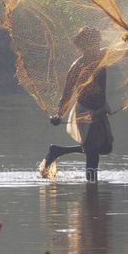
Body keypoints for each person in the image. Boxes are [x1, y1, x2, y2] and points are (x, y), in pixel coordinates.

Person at [39, 27, 113, 182]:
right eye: (94, 43)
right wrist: (59, 115)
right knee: (92, 152)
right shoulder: (77, 66)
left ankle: (58, 151)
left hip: (100, 110)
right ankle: (92, 188)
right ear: (85, 45)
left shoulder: (103, 55)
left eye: (98, 42)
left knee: (106, 147)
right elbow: (66, 94)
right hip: (84, 111)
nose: (97, 45)